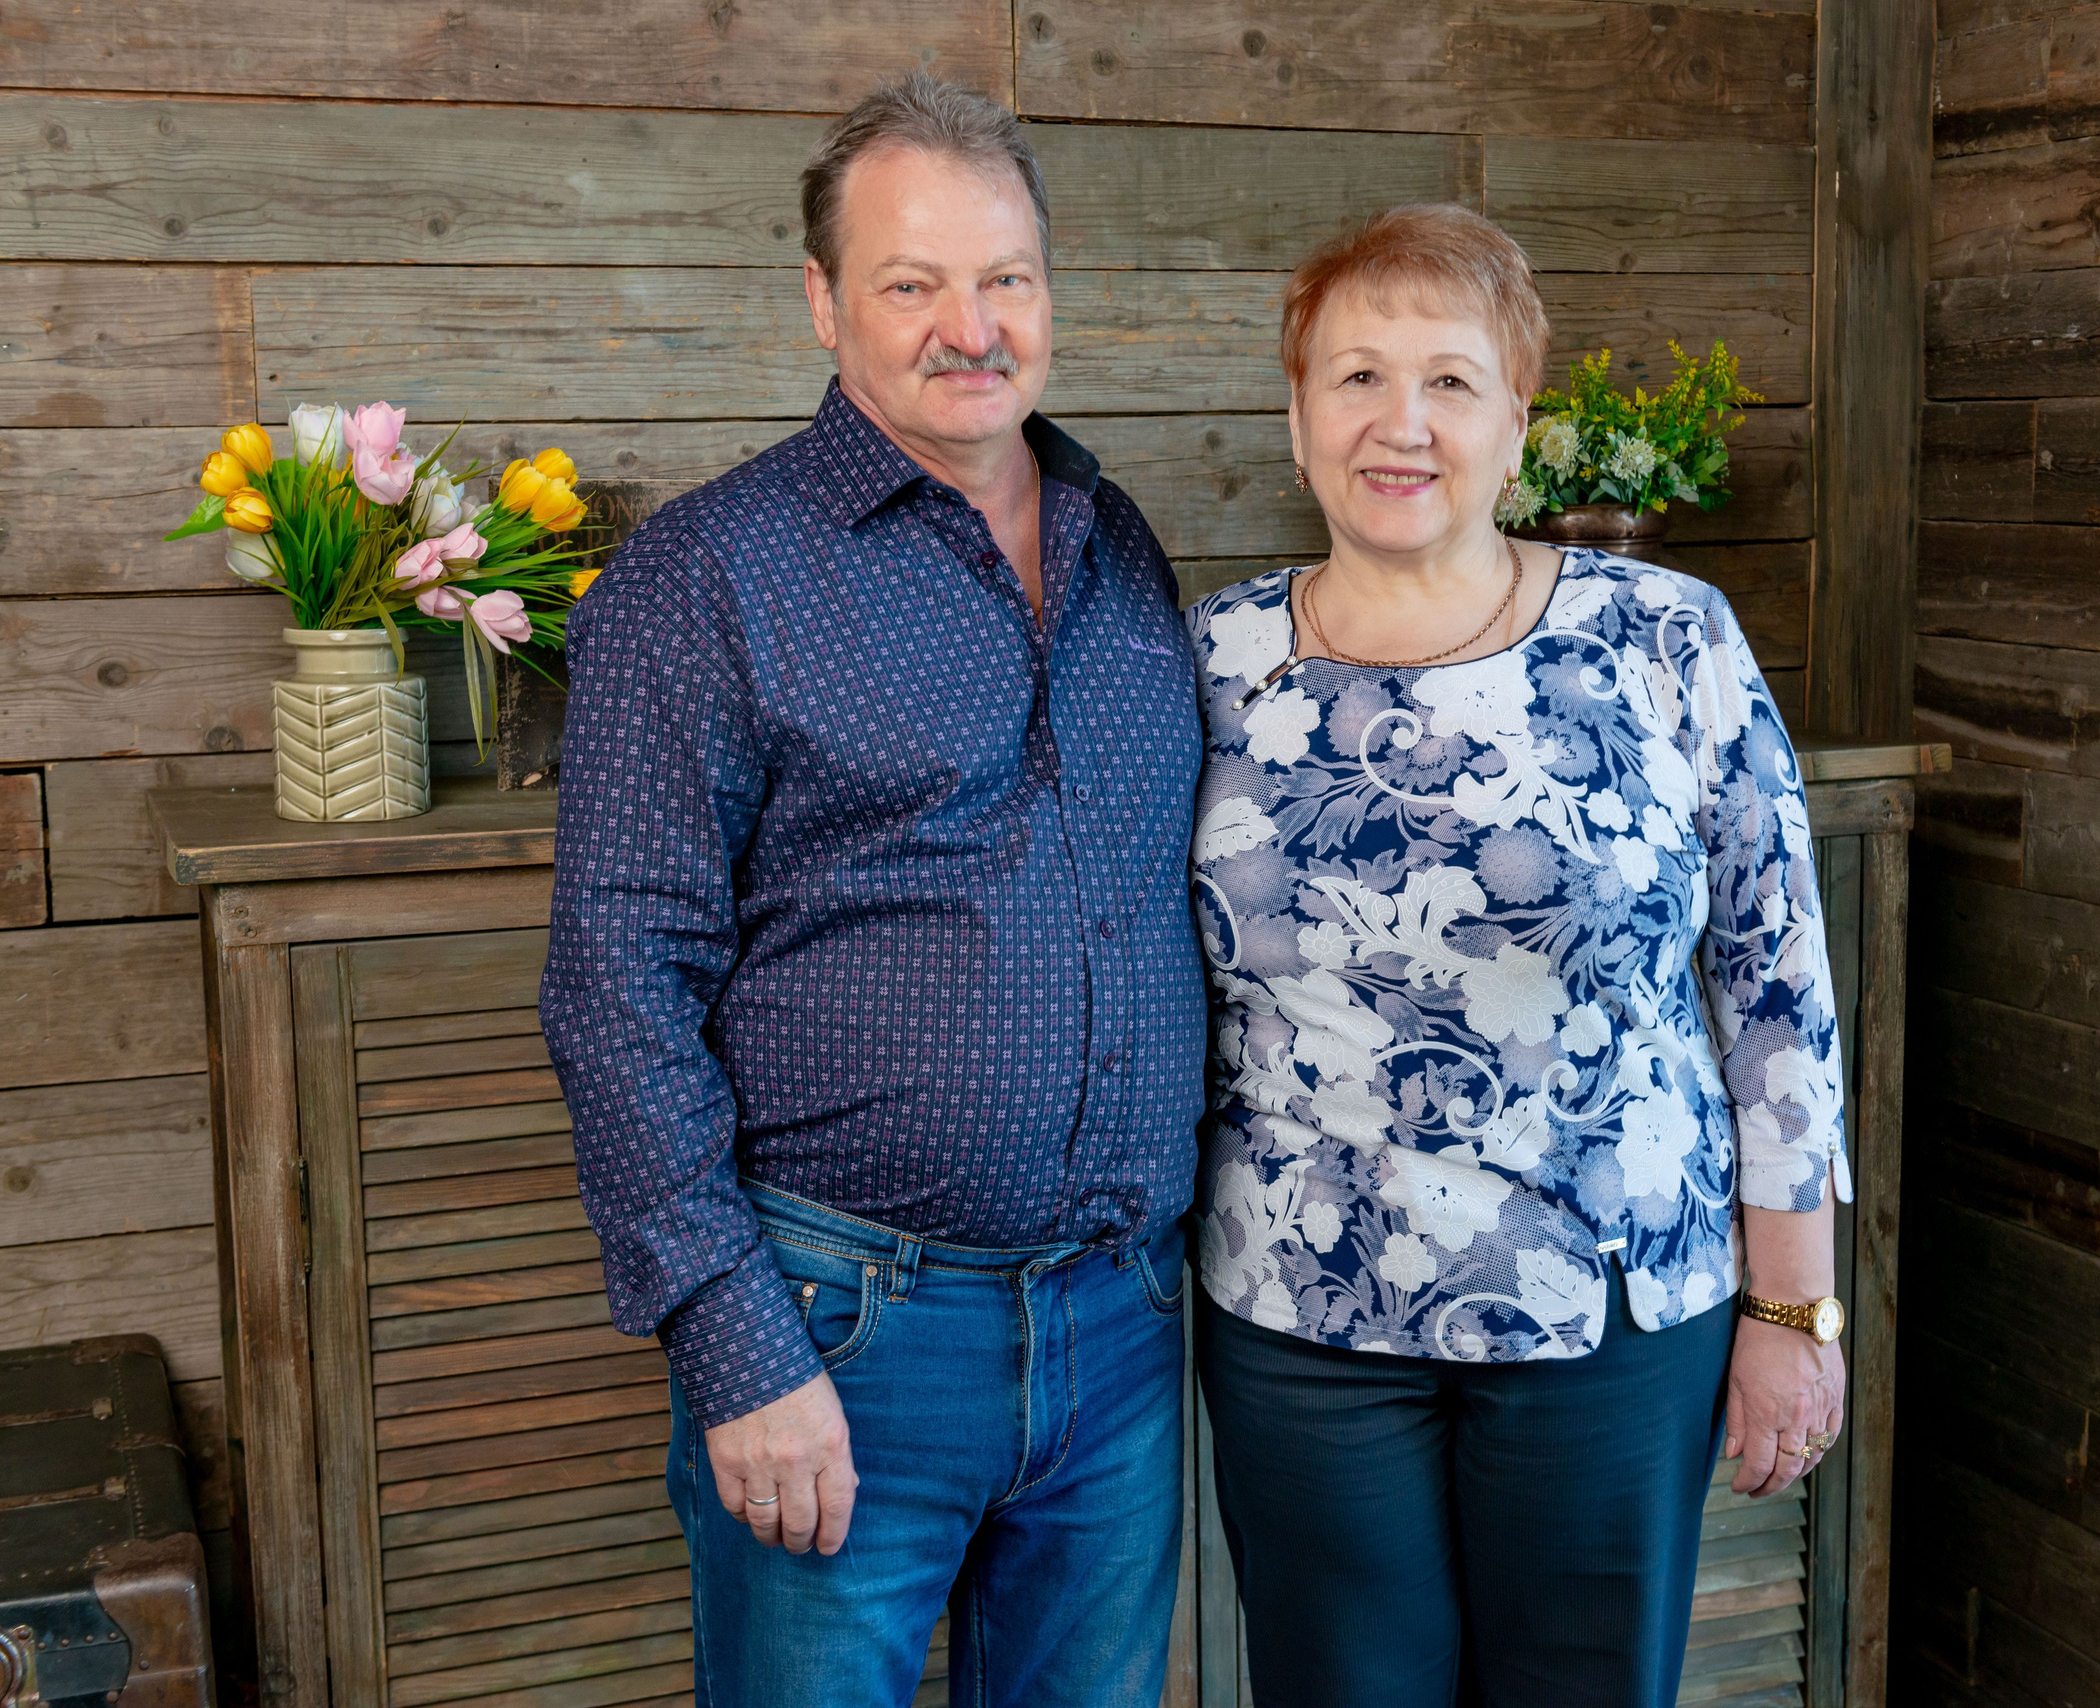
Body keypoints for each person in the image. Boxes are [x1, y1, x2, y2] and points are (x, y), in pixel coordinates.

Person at [540, 72, 1206, 1708]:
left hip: (1120, 1331)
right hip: (843, 1333)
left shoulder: (1124, 544)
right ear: (825, 303)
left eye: (1006, 280)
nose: (968, 326)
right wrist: (736, 1346)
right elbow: (615, 980)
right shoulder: (708, 575)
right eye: (913, 282)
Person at [1182, 203, 1852, 1708]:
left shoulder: (1666, 637)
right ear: (1296, 423)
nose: (1398, 423)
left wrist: (1793, 1310)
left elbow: (1774, 987)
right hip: (1304, 1322)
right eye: (1354, 378)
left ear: (1516, 422)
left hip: (1608, 1311)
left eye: (1448, 380)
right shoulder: (1209, 663)